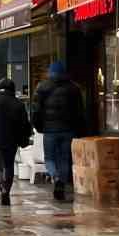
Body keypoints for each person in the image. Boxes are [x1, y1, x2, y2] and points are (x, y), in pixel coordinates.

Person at [31, 62, 86, 202]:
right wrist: (79, 129)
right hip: (68, 130)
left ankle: (55, 177)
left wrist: (37, 126)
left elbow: (36, 110)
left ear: (50, 72)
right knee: (64, 159)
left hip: (49, 130)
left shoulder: (42, 87)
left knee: (49, 158)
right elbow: (80, 112)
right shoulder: (74, 88)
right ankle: (61, 181)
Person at [0, 77, 33, 207]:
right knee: (9, 165)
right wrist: (26, 138)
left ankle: (1, 187)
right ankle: (7, 189)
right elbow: (25, 125)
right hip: (12, 141)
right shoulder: (18, 104)